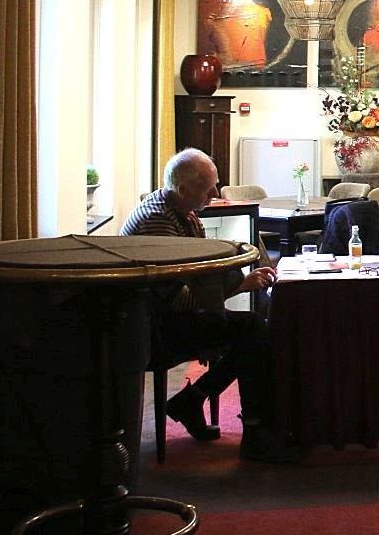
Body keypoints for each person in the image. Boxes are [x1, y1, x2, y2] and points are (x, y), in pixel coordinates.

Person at [122, 148, 300, 464]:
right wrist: (239, 287)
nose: (215, 194)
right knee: (252, 329)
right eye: (208, 188)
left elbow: (201, 279)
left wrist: (213, 312)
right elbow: (174, 299)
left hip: (168, 317)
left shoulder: (182, 212)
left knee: (250, 333)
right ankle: (253, 432)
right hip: (150, 328)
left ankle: (194, 400)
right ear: (182, 189)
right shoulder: (158, 222)